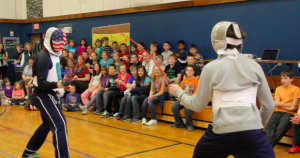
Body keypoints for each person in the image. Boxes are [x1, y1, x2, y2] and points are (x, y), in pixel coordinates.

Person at [169, 21, 275, 158]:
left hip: (222, 132)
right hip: (253, 133)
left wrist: (178, 91)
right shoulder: (255, 66)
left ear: (216, 42)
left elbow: (197, 105)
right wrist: (255, 126)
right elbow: (269, 105)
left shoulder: (211, 68)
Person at [21, 27, 69, 158]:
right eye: (57, 40)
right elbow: (41, 82)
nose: (60, 43)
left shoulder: (54, 54)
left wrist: (62, 85)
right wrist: (56, 85)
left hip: (51, 94)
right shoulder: (43, 58)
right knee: (60, 124)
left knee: (47, 124)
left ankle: (28, 152)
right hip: (42, 95)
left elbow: (55, 76)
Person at [265, 70, 300, 147]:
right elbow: (276, 104)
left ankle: (268, 146)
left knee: (281, 127)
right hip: (277, 111)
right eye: (281, 78)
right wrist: (289, 106)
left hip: (289, 113)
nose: (283, 80)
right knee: (268, 126)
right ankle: (268, 146)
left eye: (285, 78)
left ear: (291, 79)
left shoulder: (296, 89)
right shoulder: (278, 89)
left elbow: (294, 105)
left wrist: (285, 106)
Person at [171, 66, 198, 131]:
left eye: (191, 70)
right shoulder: (184, 80)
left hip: (192, 99)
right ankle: (179, 123)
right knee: (174, 107)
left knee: (187, 108)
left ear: (194, 72)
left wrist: (186, 100)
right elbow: (179, 91)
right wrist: (181, 100)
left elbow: (196, 93)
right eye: (187, 70)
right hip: (183, 99)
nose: (189, 71)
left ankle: (189, 124)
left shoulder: (196, 80)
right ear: (185, 72)